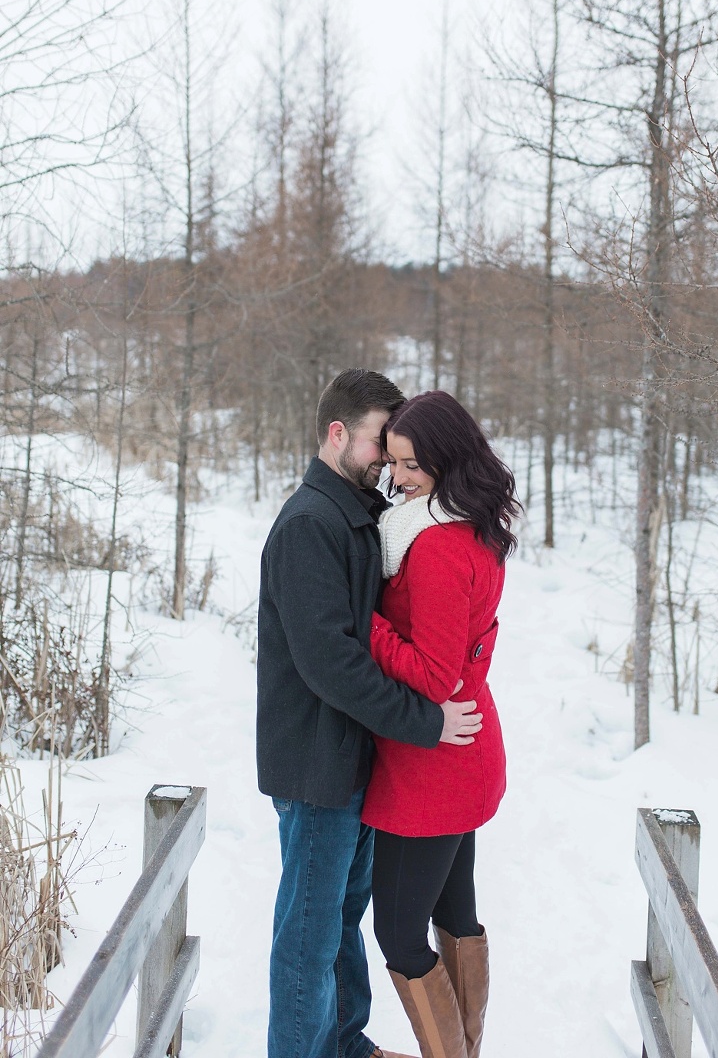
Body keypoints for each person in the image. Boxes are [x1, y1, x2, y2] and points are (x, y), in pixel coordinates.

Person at [257, 369, 484, 1058]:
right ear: (336, 433)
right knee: (309, 935)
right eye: (377, 443)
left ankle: (344, 1043)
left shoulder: (356, 516)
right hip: (317, 763)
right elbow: (333, 662)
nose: (386, 458)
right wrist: (425, 722)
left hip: (356, 760)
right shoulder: (308, 525)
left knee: (342, 920)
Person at [362, 391, 522, 1058]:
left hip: (429, 772)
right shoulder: (469, 525)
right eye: (393, 462)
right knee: (453, 916)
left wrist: (361, 623)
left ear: (447, 460)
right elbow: (464, 652)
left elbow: (430, 676)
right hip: (465, 754)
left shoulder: (433, 549)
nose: (397, 479)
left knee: (400, 935)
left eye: (410, 465)